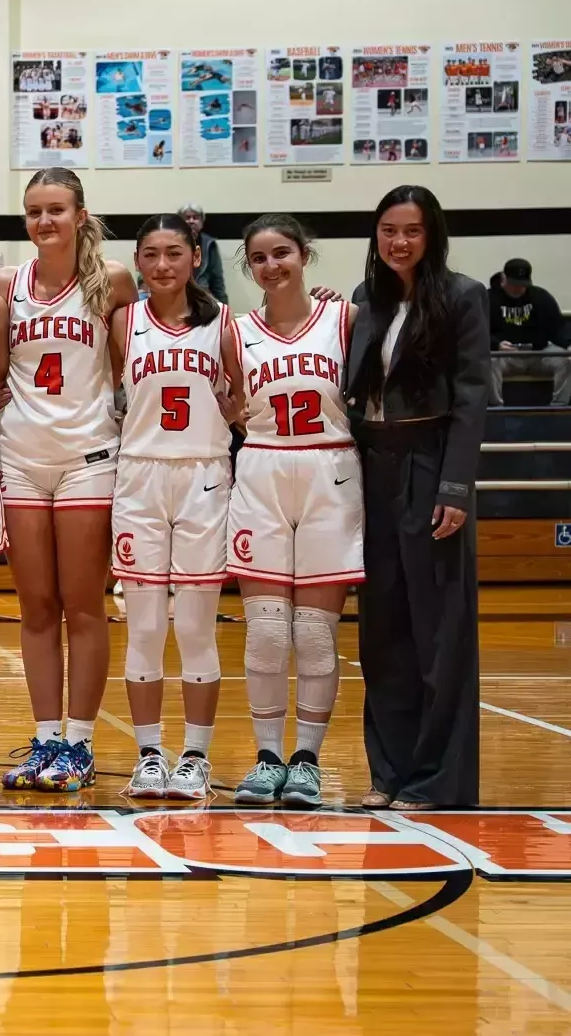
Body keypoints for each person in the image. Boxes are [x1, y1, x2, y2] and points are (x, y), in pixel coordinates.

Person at [0, 167, 136, 793]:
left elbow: (138, 367)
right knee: (37, 607)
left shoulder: (116, 285)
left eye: (55, 210)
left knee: (84, 606)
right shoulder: (4, 284)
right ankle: (47, 736)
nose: (44, 222)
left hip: (87, 460)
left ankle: (79, 742)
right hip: (21, 458)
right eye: (33, 212)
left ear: (80, 214)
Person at [348, 186, 490, 809]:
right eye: (387, 231)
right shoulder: (365, 299)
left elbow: (470, 397)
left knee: (439, 635)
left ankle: (439, 780)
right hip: (372, 467)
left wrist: (455, 484)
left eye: (410, 231)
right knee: (383, 634)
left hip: (431, 467)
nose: (398, 242)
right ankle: (391, 774)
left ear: (431, 234)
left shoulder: (462, 296)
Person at [226, 214, 362, 809]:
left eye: (282, 253)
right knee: (265, 630)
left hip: (330, 473)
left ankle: (306, 759)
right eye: (259, 258)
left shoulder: (345, 319)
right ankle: (265, 757)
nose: (272, 265)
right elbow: (226, 401)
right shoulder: (233, 331)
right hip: (261, 471)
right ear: (248, 268)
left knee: (313, 632)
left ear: (305, 255)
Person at [110, 213, 238, 801]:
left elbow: (241, 402)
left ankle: (195, 755)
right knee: (142, 626)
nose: (163, 265)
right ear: (138, 260)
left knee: (193, 625)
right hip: (139, 474)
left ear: (195, 258)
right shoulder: (123, 322)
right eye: (152, 254)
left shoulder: (227, 325)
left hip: (203, 475)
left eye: (174, 254)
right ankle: (149, 754)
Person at [486, 258, 568, 406]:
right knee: (488, 362)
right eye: (514, 284)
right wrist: (496, 344)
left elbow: (558, 327)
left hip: (538, 353)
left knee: (567, 360)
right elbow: (477, 332)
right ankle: (497, 410)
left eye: (522, 285)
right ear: (503, 278)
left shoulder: (540, 297)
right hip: (505, 356)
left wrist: (569, 344)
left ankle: (559, 408)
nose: (518, 289)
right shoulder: (488, 299)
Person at [179, 203, 230, 306]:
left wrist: (224, 306)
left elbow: (217, 279)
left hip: (202, 294)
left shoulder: (209, 244)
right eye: (187, 218)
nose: (191, 221)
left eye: (196, 218)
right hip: (176, 294)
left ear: (202, 222)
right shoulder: (169, 241)